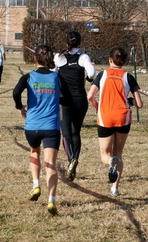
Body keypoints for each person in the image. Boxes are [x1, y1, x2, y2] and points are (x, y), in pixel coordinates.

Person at [13, 44, 73, 216]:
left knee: (34, 152)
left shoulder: (28, 77)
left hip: (32, 126)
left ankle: (36, 185)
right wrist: (55, 100)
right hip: (51, 127)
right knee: (51, 164)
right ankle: (51, 200)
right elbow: (68, 98)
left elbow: (16, 92)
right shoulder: (57, 78)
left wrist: (20, 107)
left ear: (35, 59)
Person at [87, 47, 143, 196]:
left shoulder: (102, 74)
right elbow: (139, 104)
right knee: (119, 153)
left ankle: (110, 161)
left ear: (110, 60)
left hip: (105, 117)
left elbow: (90, 96)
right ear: (124, 62)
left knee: (105, 154)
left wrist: (97, 107)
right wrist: (129, 101)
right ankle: (114, 188)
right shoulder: (128, 77)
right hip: (122, 118)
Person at [53, 31, 96, 182]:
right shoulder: (83, 57)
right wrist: (87, 78)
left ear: (66, 42)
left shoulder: (59, 57)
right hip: (80, 99)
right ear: (79, 43)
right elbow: (92, 73)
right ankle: (74, 160)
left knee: (66, 133)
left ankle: (71, 159)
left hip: (64, 100)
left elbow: (52, 74)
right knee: (76, 132)